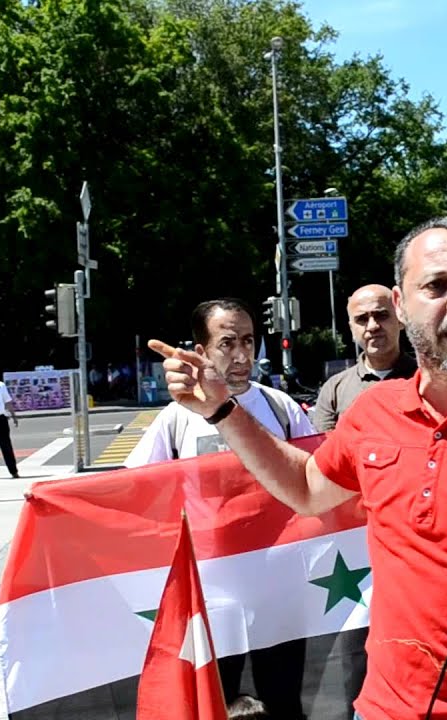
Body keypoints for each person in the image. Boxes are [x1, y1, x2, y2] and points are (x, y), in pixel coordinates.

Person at [149, 217, 447, 719]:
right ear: (400, 306)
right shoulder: (373, 411)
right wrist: (223, 411)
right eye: (436, 284)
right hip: (385, 708)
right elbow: (308, 489)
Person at [125, 298, 315, 720]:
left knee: (284, 700)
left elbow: (316, 474)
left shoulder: (282, 408)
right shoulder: (177, 417)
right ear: (202, 349)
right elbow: (133, 488)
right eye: (227, 342)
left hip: (278, 585)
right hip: (211, 593)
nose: (242, 354)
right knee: (213, 702)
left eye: (248, 340)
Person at [310, 284, 417, 432]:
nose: (373, 326)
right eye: (362, 319)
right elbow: (326, 449)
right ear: (352, 329)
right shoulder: (334, 389)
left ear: (400, 319)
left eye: (381, 315)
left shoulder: (429, 380)